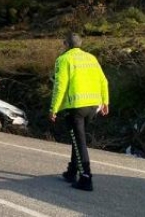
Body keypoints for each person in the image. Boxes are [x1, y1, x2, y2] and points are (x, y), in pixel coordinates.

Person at [49, 33, 109, 191]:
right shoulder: (91, 58)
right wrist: (105, 101)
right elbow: (103, 80)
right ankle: (72, 171)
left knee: (79, 142)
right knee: (78, 139)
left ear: (67, 44)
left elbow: (60, 86)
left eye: (63, 44)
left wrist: (53, 108)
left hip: (76, 107)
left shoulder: (63, 59)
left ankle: (86, 178)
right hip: (93, 106)